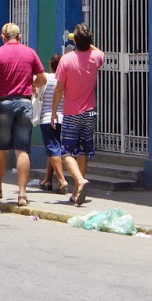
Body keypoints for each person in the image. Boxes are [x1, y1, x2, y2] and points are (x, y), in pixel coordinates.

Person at [0, 23, 46, 206]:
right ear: (19, 37)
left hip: (4, 104)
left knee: (2, 148)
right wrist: (31, 83)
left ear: (3, 37)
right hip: (25, 104)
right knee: (22, 149)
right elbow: (42, 79)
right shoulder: (30, 53)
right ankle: (22, 195)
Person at [52, 23, 104, 207]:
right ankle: (76, 192)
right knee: (83, 151)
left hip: (72, 113)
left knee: (66, 152)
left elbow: (59, 89)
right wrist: (86, 41)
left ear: (75, 42)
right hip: (90, 112)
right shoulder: (96, 57)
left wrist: (53, 112)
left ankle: (80, 181)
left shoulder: (66, 60)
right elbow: (99, 51)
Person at [37, 53, 65, 192]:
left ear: (50, 65)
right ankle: (47, 180)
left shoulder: (46, 78)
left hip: (48, 119)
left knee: (53, 150)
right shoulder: (66, 79)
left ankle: (62, 180)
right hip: (63, 118)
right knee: (54, 149)